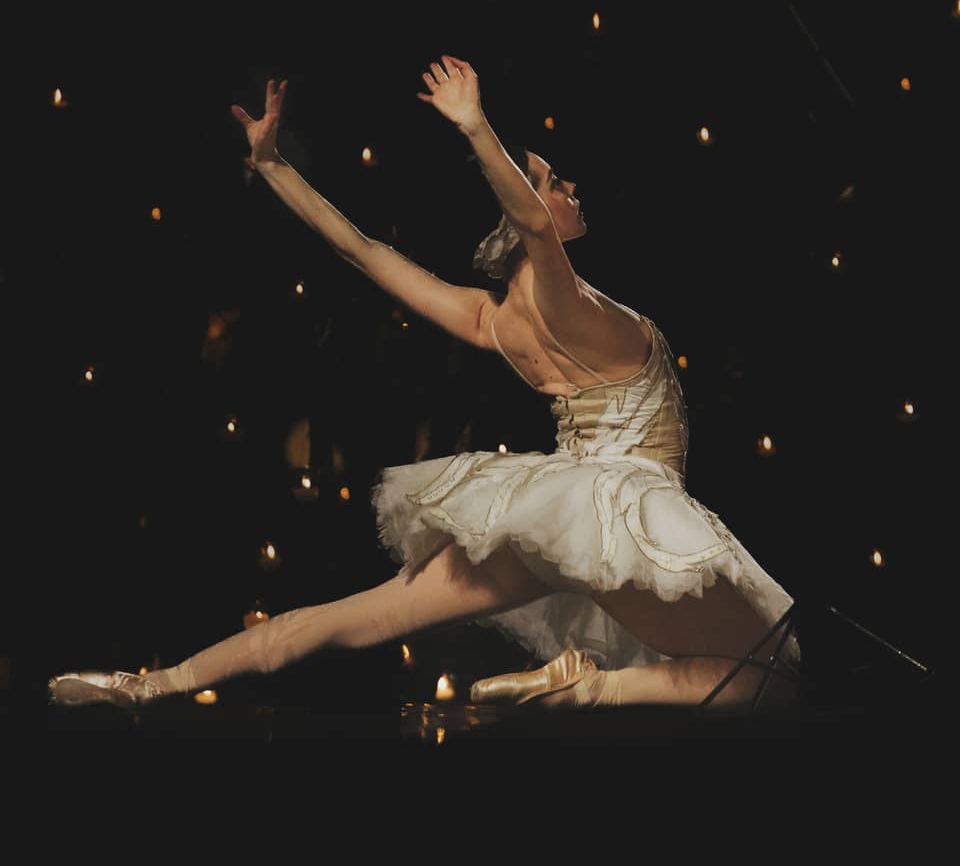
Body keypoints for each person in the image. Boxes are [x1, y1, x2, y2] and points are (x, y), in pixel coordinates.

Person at [48, 56, 802, 712]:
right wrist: (476, 128)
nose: (571, 190)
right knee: (770, 673)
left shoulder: (492, 320)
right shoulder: (574, 308)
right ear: (529, 206)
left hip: (554, 515)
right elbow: (535, 229)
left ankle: (149, 684)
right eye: (555, 182)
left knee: (353, 617)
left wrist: (274, 167)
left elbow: (366, 253)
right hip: (622, 512)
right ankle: (584, 687)